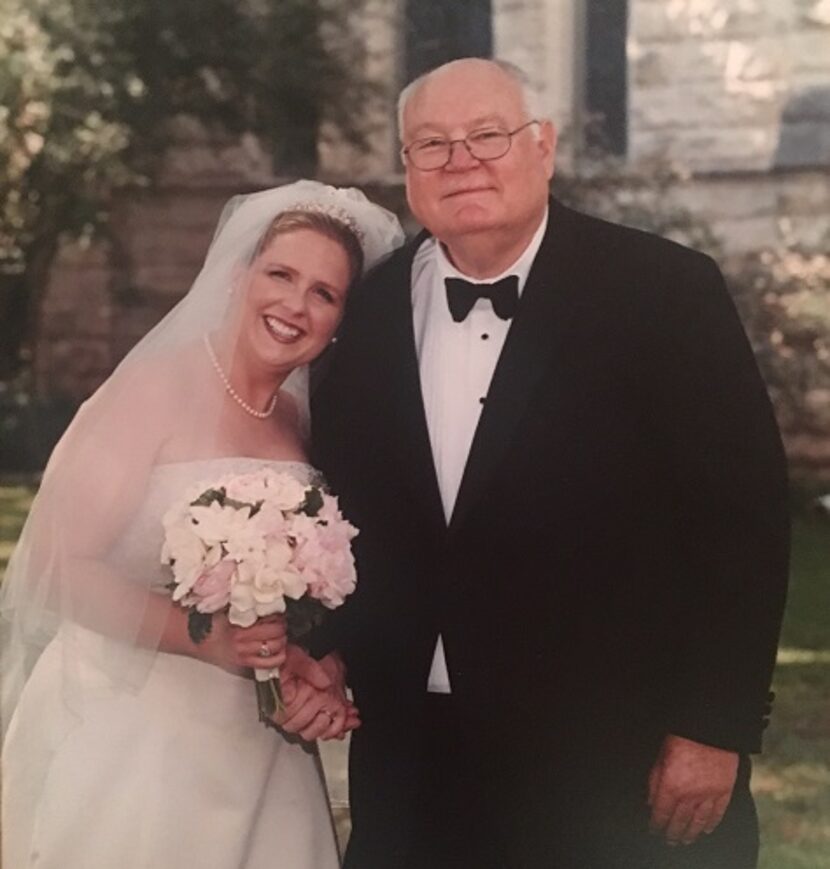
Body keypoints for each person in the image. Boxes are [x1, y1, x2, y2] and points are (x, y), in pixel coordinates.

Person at [309, 58, 790, 868]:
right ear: (406, 169)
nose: (461, 160)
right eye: (432, 144)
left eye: (487, 135)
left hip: (614, 758)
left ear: (544, 146)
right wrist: (324, 644)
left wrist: (713, 725)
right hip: (414, 763)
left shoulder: (665, 291)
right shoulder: (365, 312)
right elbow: (360, 516)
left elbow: (743, 518)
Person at [0, 180, 404, 869]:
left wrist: (304, 671)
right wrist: (206, 638)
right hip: (130, 732)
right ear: (238, 275)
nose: (294, 304)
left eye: (323, 293)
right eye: (280, 274)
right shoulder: (151, 391)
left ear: (339, 319)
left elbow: (280, 612)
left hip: (259, 749)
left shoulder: (301, 420)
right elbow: (56, 565)